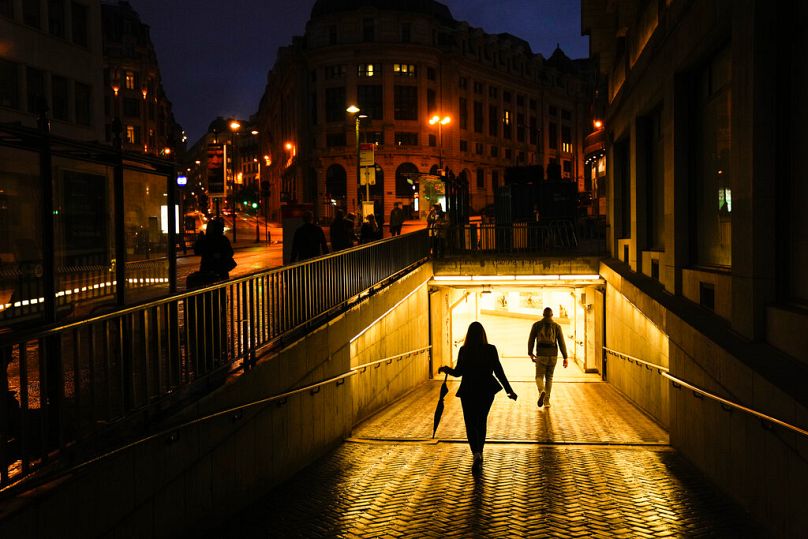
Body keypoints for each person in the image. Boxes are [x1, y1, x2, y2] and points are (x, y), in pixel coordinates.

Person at [438, 321, 517, 474]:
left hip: (468, 390)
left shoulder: (464, 350)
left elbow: (458, 372)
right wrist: (509, 391)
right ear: (483, 334)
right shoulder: (490, 349)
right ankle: (480, 451)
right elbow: (499, 372)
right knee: (481, 422)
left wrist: (445, 369)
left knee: (470, 423)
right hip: (486, 390)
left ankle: (475, 454)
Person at [528, 307, 568, 408]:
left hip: (541, 355)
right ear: (552, 315)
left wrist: (530, 353)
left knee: (539, 376)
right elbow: (562, 343)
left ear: (543, 315)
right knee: (549, 378)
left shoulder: (536, 325)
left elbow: (531, 340)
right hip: (553, 355)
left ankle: (542, 391)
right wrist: (565, 357)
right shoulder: (557, 326)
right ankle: (546, 402)